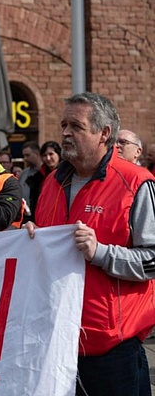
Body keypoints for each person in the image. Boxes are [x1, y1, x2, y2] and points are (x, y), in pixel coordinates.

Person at [25, 92, 155, 396]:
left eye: (76, 126)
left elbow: (152, 260)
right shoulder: (52, 183)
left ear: (104, 133)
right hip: (57, 339)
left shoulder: (135, 182)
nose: (66, 133)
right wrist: (31, 235)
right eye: (63, 125)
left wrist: (101, 253)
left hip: (112, 347)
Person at [23, 140, 62, 220]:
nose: (48, 158)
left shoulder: (68, 173)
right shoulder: (37, 178)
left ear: (59, 154)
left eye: (51, 154)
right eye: (44, 155)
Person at [18, 140, 42, 215]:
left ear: (37, 154)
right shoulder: (23, 174)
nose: (25, 158)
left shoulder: (45, 173)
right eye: (24, 156)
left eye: (28, 155)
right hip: (26, 214)